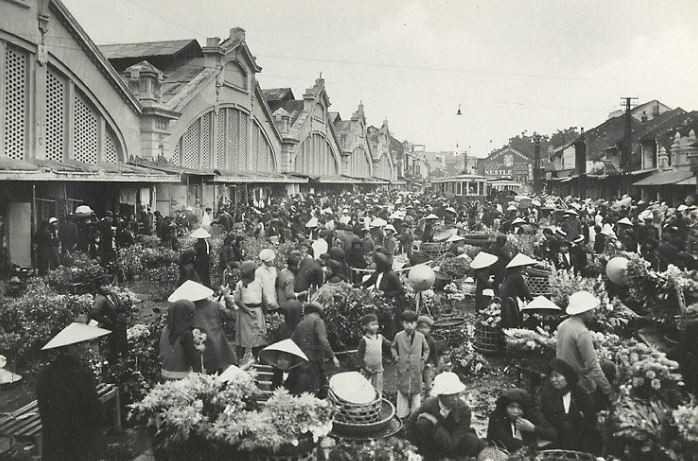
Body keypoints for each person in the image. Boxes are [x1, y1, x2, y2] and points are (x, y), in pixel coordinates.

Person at [38, 323, 110, 460]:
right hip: (79, 444)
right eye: (79, 344)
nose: (86, 347)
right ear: (67, 348)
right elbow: (95, 411)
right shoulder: (81, 373)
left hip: (54, 445)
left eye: (86, 342)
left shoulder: (44, 373)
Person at [404, 372, 486, 460]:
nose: (455, 398)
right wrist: (412, 448)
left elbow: (452, 445)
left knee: (471, 440)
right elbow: (410, 424)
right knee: (423, 423)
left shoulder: (464, 410)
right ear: (440, 395)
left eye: (457, 394)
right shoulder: (429, 404)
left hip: (453, 443)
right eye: (450, 395)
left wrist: (436, 423)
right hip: (431, 444)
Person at [556, 291, 614, 408]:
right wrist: (609, 392)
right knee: (608, 370)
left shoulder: (563, 325)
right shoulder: (582, 332)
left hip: (563, 377)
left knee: (607, 365)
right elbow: (593, 367)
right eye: (592, 309)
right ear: (584, 312)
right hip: (579, 384)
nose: (594, 312)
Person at [169, 280, 238, 373]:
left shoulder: (188, 311)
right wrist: (227, 297)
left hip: (203, 352)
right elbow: (233, 315)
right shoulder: (215, 305)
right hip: (220, 347)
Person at [536, 358, 599, 454]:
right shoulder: (549, 395)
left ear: (566, 376)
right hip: (561, 440)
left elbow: (591, 419)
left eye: (557, 376)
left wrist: (574, 417)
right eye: (551, 376)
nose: (553, 380)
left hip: (583, 439)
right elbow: (550, 419)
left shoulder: (580, 393)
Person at [288, 302, 339, 397]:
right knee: (315, 389)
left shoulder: (300, 324)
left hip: (300, 361)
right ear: (318, 313)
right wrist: (332, 356)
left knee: (301, 390)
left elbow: (292, 342)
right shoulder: (318, 321)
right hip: (314, 361)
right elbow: (323, 340)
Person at [486, 388, 555, 453]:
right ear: (505, 407)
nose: (516, 411)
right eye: (512, 407)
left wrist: (533, 428)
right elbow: (506, 443)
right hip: (499, 453)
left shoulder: (528, 414)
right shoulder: (497, 416)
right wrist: (536, 445)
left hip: (527, 452)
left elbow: (553, 433)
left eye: (520, 408)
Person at [391, 310, 430, 419]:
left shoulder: (420, 336)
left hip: (416, 367)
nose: (409, 325)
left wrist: (423, 359)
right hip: (403, 366)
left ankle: (415, 414)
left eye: (412, 323)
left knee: (416, 391)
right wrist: (396, 357)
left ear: (416, 323)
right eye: (407, 322)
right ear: (402, 323)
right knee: (402, 390)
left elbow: (426, 349)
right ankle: (402, 414)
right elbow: (393, 346)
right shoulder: (398, 336)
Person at [88, 275, 128, 364]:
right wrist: (106, 320)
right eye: (104, 285)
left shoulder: (113, 295)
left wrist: (121, 308)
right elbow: (93, 313)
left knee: (123, 348)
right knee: (112, 351)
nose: (107, 287)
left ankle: (123, 366)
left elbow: (121, 306)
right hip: (109, 329)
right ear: (99, 287)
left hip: (119, 326)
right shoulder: (100, 298)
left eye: (108, 284)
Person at [233, 261, 268, 361]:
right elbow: (264, 299)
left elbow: (236, 300)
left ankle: (241, 359)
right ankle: (252, 358)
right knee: (254, 337)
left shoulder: (242, 283)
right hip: (253, 311)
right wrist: (264, 312)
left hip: (248, 311)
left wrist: (247, 310)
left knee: (245, 338)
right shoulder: (246, 283)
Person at [159, 299, 202, 379]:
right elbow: (193, 359)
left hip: (165, 373)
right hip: (180, 377)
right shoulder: (186, 334)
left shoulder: (166, 329)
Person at [356, 313, 391, 394]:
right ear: (365, 327)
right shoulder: (364, 340)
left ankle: (378, 404)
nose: (376, 327)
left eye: (376, 324)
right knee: (364, 389)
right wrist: (364, 367)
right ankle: (366, 405)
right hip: (366, 369)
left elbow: (390, 344)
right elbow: (359, 356)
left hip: (378, 368)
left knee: (378, 390)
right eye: (372, 325)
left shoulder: (380, 337)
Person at [499, 254, 535, 328]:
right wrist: (531, 299)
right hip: (514, 301)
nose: (524, 268)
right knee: (515, 319)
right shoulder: (517, 276)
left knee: (508, 319)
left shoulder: (509, 275)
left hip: (507, 300)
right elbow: (524, 289)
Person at [418, 315, 440, 397]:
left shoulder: (431, 340)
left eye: (425, 328)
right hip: (418, 364)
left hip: (428, 365)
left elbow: (434, 353)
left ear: (430, 329)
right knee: (418, 383)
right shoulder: (416, 339)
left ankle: (428, 396)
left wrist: (437, 365)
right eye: (420, 327)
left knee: (428, 383)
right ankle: (418, 398)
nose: (422, 330)